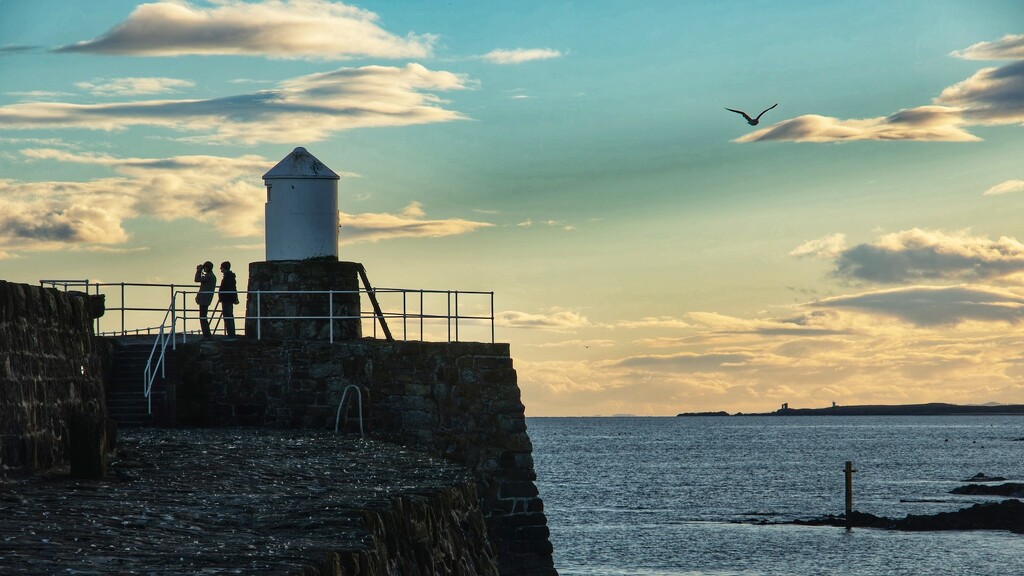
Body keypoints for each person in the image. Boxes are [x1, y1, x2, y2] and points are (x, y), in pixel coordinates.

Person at [194, 261, 216, 339]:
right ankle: (207, 335)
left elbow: (196, 279)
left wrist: (199, 271)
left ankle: (207, 335)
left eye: (205, 267)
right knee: (203, 316)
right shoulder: (211, 276)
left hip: (204, 299)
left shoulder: (209, 276)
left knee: (203, 317)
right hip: (206, 299)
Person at [218, 261, 239, 338]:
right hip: (227, 299)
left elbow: (229, 288)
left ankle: (231, 334)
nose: (220, 269)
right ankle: (230, 333)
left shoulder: (228, 277)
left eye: (221, 267)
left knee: (228, 316)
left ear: (224, 268)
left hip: (227, 299)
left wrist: (222, 296)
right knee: (228, 316)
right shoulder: (229, 276)